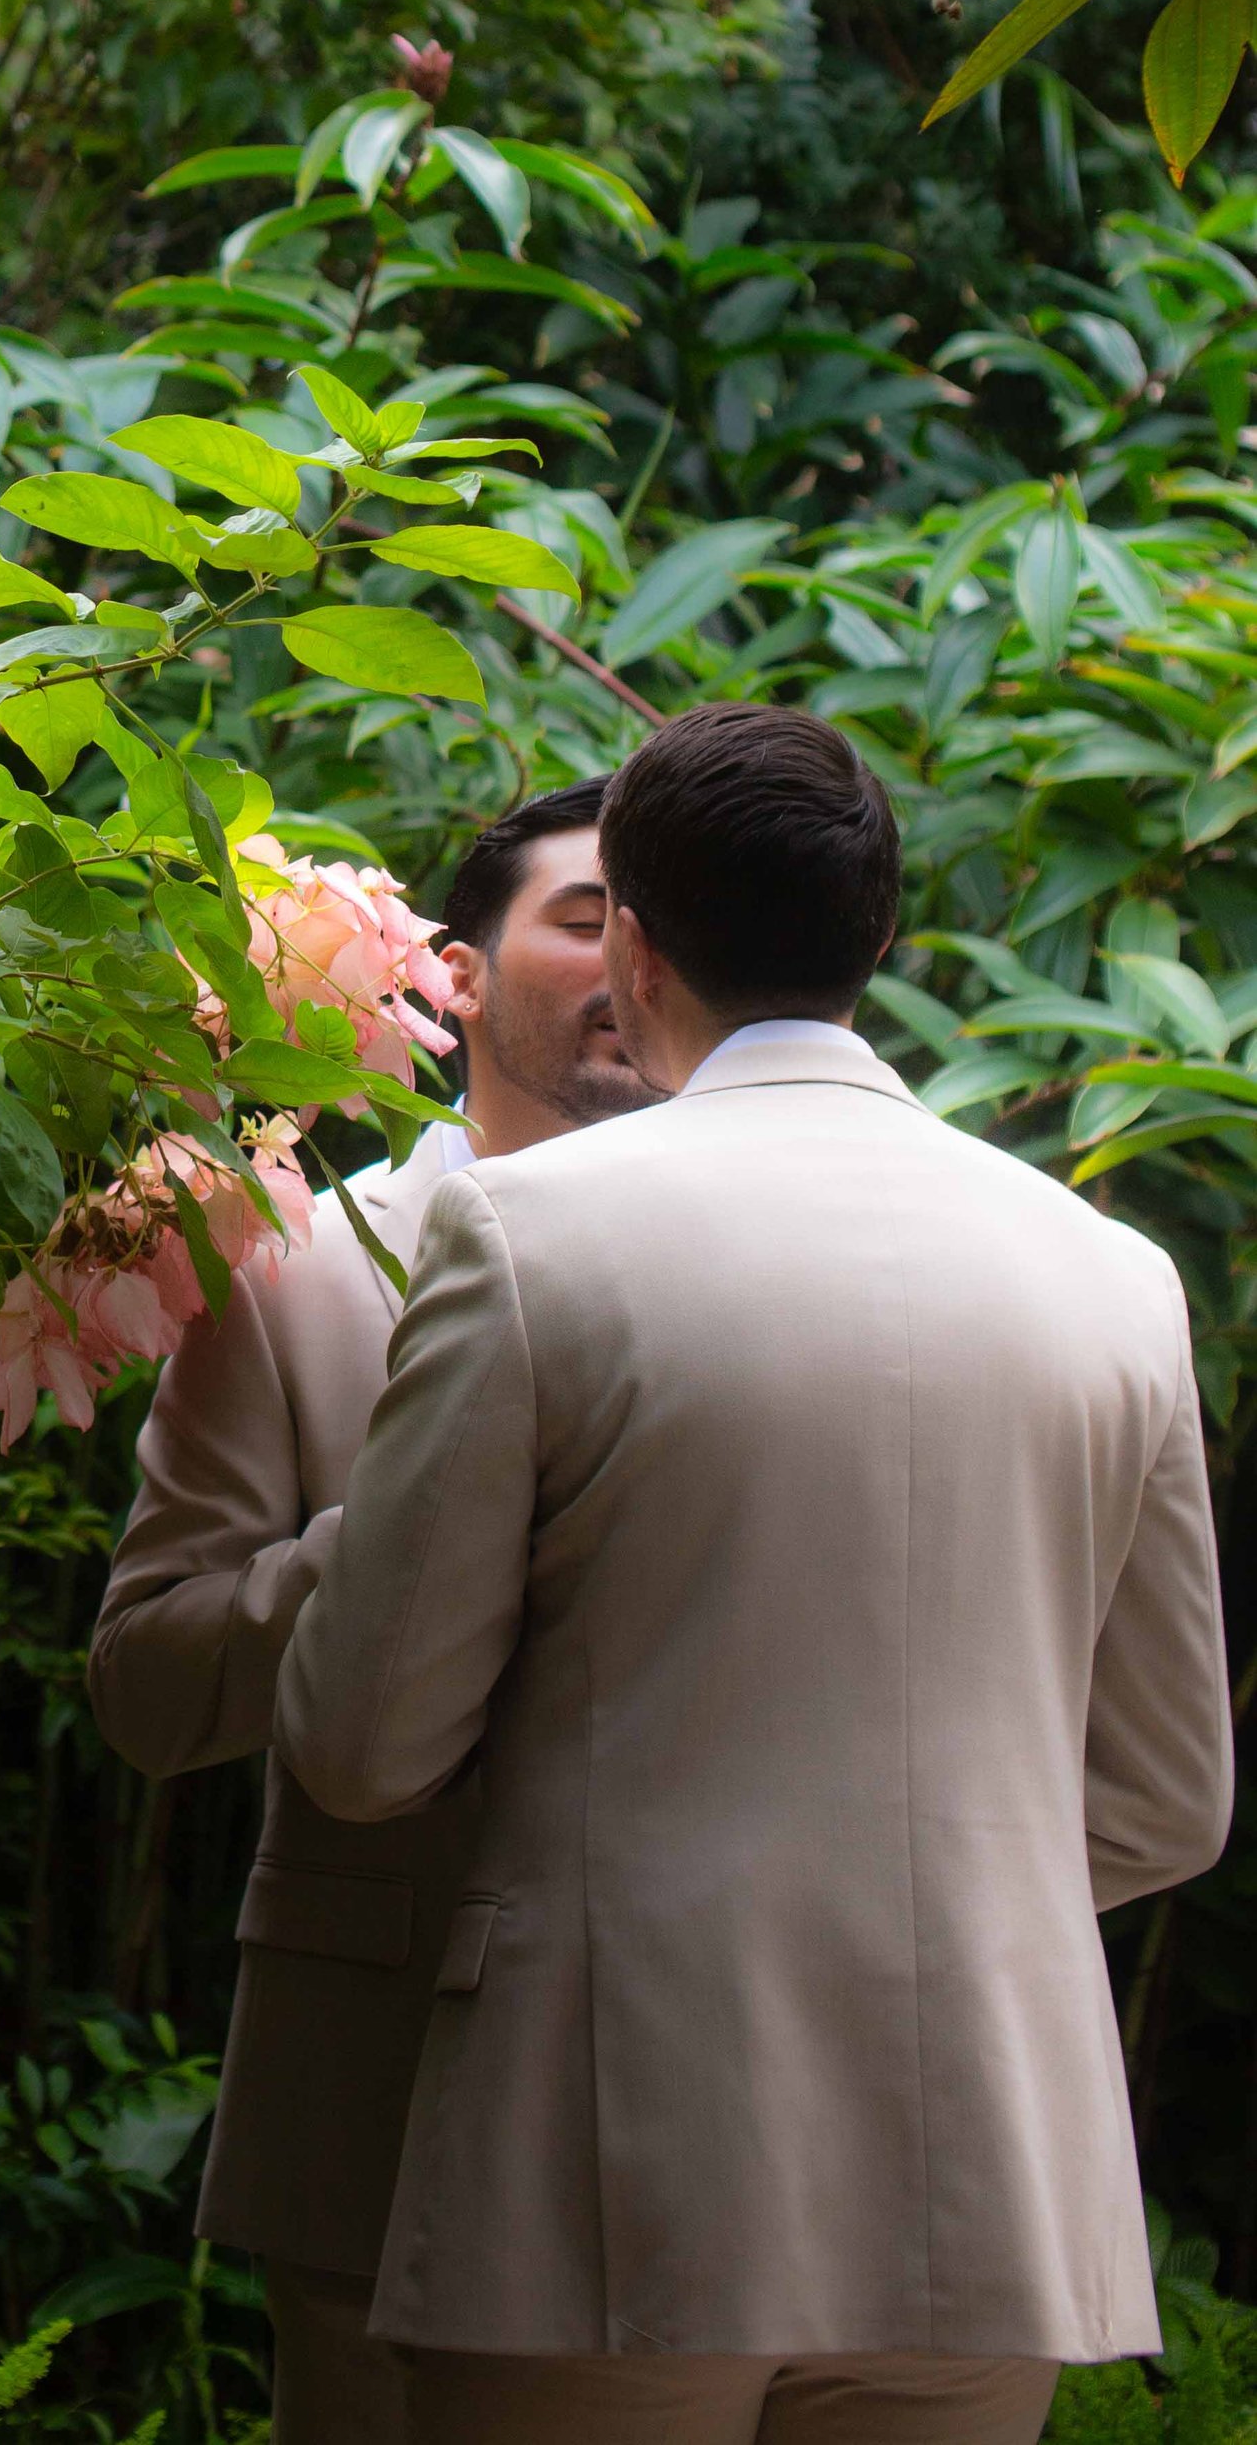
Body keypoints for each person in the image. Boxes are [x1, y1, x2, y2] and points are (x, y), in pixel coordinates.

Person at [278, 703, 1235, 2445]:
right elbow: (1169, 1798)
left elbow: (363, 1745)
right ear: (880, 941)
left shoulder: (524, 1235)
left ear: (634, 948)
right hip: (989, 2170)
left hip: (605, 2148)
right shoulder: (1113, 1274)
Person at [89, 779, 660, 2445]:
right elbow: (145, 1683)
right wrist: (397, 1528)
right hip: (381, 2069)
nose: (632, 954)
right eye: (585, 913)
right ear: (459, 976)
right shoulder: (293, 1269)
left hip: (706, 2081)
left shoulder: (785, 1273)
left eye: (657, 924)